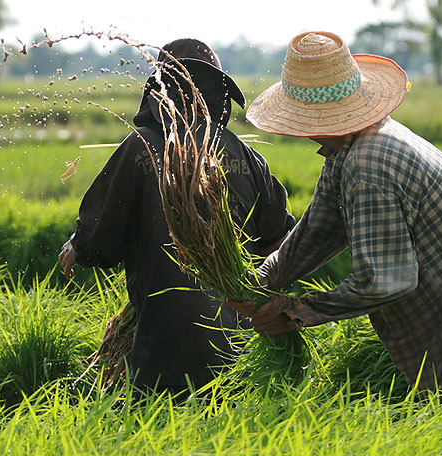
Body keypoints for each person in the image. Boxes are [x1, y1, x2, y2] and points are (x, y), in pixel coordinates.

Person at [229, 31, 442, 395]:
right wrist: (263, 278)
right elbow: (318, 229)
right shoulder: (350, 149)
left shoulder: (368, 164)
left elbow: (384, 281)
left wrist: (293, 312)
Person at [59, 38, 296, 397]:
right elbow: (281, 240)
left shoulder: (140, 148)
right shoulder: (244, 154)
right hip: (241, 355)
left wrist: (78, 246)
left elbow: (99, 242)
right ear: (217, 93)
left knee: (156, 439)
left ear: (160, 90)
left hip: (161, 357)